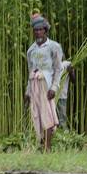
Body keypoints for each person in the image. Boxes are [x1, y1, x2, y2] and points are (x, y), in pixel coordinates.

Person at [24, 12, 63, 150]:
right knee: (37, 115)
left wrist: (54, 87)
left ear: (45, 31)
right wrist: (28, 91)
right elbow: (30, 70)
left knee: (48, 116)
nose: (38, 33)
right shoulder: (31, 51)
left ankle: (47, 147)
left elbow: (58, 69)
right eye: (36, 30)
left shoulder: (54, 47)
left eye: (41, 30)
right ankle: (41, 144)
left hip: (46, 85)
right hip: (34, 85)